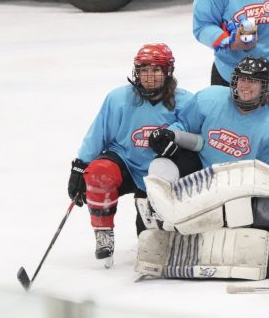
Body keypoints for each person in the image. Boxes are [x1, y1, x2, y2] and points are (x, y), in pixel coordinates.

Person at [68, 43, 192, 265]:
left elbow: (192, 130)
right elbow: (99, 133)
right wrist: (80, 166)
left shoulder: (185, 101)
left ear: (168, 72)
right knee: (98, 172)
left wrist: (173, 135)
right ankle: (103, 233)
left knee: (150, 245)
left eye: (156, 70)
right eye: (144, 70)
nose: (149, 76)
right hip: (124, 161)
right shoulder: (118, 98)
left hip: (158, 174)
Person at [147, 56, 269, 182]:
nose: (245, 86)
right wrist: (167, 136)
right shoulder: (209, 98)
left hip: (239, 187)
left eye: (253, 81)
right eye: (242, 79)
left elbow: (265, 173)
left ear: (264, 86)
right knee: (161, 166)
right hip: (198, 170)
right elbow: (184, 125)